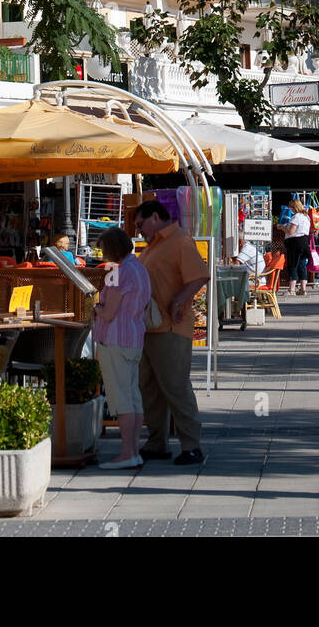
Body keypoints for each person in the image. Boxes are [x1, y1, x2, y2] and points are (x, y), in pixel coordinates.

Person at [136, 199, 210, 466]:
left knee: (176, 387)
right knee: (150, 387)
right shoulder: (153, 246)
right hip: (150, 327)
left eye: (140, 224)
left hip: (170, 327)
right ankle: (157, 443)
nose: (139, 230)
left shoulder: (180, 241)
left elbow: (200, 276)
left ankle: (192, 445)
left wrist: (179, 300)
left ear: (155, 217)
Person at [93, 227, 151, 470]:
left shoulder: (119, 273)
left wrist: (95, 309)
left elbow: (107, 313)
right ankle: (134, 451)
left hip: (116, 339)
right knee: (133, 397)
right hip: (134, 338)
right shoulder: (139, 268)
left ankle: (126, 452)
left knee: (121, 400)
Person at [283, 198, 312, 296]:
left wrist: (282, 227)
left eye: (290, 207)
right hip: (304, 242)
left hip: (295, 243)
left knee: (293, 265)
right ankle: (303, 289)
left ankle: (292, 290)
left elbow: (291, 231)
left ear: (294, 207)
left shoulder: (296, 217)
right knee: (302, 265)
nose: (289, 208)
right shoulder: (306, 217)